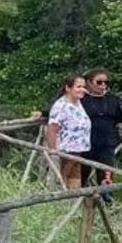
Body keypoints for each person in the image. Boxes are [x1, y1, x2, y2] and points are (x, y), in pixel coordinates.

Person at [79, 68, 122, 200]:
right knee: (83, 177)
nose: (103, 85)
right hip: (85, 144)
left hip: (106, 144)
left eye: (106, 82)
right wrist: (42, 113)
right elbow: (63, 108)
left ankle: (107, 206)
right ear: (89, 83)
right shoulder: (81, 99)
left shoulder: (112, 99)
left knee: (106, 176)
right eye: (99, 82)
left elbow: (119, 117)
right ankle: (82, 208)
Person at [45, 74, 91, 190]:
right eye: (78, 86)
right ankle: (60, 203)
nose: (82, 89)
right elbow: (52, 129)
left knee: (75, 181)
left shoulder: (78, 103)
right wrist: (53, 152)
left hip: (78, 150)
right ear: (68, 88)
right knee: (62, 179)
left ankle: (72, 203)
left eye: (83, 86)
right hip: (66, 151)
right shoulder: (61, 106)